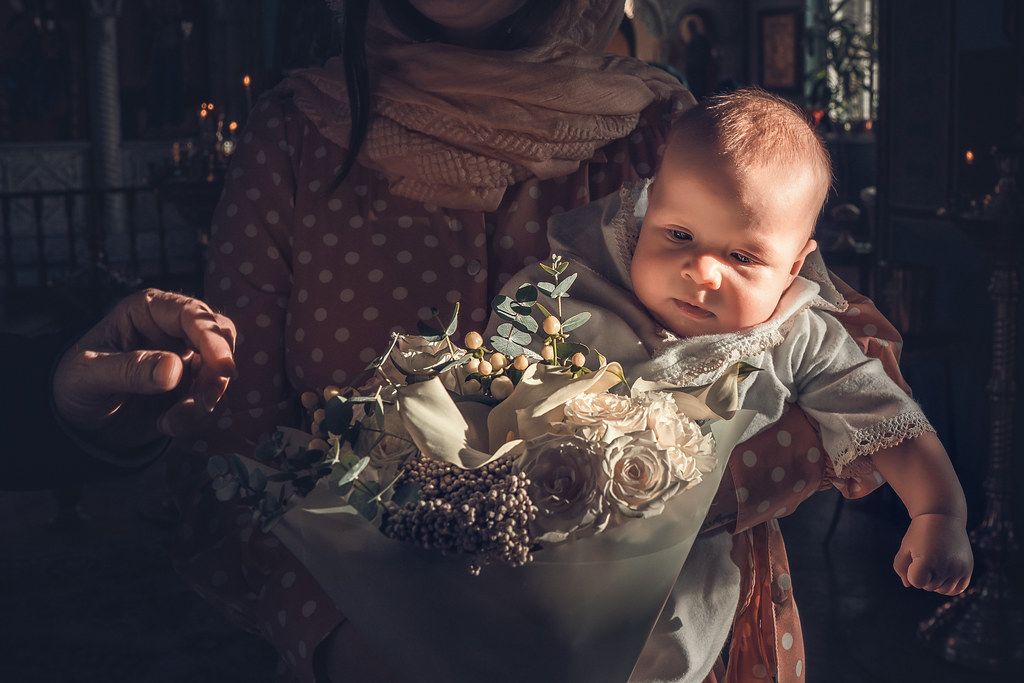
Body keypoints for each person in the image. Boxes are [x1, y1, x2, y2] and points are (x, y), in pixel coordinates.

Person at [51, 2, 913, 681]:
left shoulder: (666, 135)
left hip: (663, 650)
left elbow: (855, 362)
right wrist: (356, 639)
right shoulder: (300, 142)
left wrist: (647, 506)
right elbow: (232, 461)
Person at [495, 88, 974, 681]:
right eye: (678, 236)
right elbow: (489, 373)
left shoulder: (796, 335)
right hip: (527, 554)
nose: (701, 273)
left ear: (793, 267)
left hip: (680, 576)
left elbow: (889, 421)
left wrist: (937, 512)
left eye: (744, 256)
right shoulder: (573, 288)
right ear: (647, 212)